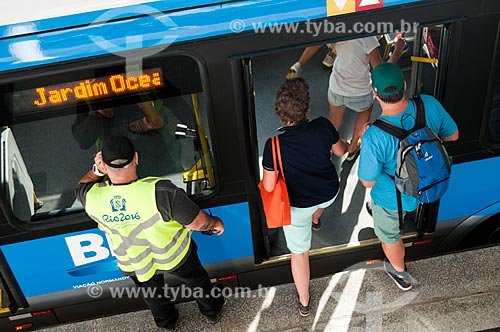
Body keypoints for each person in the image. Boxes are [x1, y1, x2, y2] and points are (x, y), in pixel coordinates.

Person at [75, 134, 226, 330]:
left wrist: (96, 171)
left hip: (134, 261)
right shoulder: (161, 191)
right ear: (136, 158)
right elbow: (198, 223)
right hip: (175, 255)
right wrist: (215, 222)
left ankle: (167, 323)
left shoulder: (92, 198)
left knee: (151, 293)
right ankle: (212, 311)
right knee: (197, 281)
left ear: (103, 164)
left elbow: (82, 185)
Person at [358, 62, 459, 291]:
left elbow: (368, 181)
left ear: (375, 94)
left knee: (389, 235)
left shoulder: (374, 135)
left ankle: (400, 273)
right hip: (430, 183)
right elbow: (453, 135)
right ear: (404, 85)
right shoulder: (428, 104)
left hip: (392, 199)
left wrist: (365, 140)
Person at [261, 78, 347, 316]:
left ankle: (305, 301)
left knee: (299, 254)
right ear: (306, 106)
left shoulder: (273, 145)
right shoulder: (322, 126)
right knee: (320, 206)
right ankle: (316, 219)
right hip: (329, 192)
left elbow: (269, 186)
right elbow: (340, 151)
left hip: (297, 207)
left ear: (279, 112)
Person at [328, 34, 406, 161]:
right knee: (366, 110)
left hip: (337, 87)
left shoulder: (339, 31)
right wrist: (398, 49)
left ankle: (328, 146)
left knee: (334, 121)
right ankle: (353, 147)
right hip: (360, 92)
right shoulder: (368, 39)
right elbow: (381, 71)